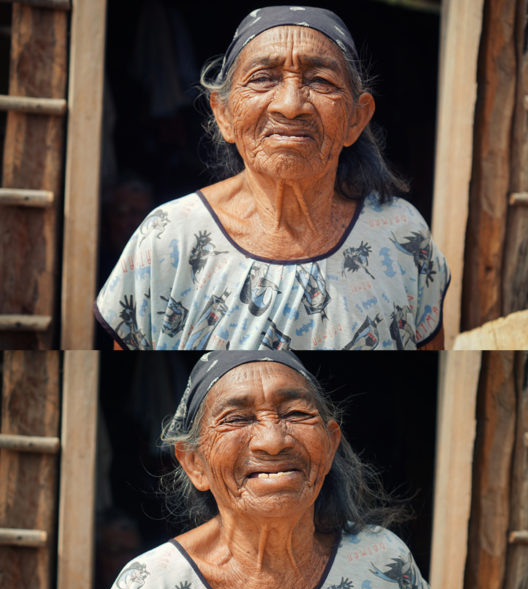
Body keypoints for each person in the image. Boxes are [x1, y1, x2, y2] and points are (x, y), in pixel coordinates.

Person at [74, 351, 444, 589]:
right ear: (194, 463)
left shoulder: (384, 566)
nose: (272, 441)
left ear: (330, 445)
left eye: (297, 413)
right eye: (237, 418)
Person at [94, 6, 450, 351]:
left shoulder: (402, 235)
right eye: (263, 79)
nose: (291, 105)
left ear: (356, 119)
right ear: (224, 113)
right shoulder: (168, 237)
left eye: (321, 81)